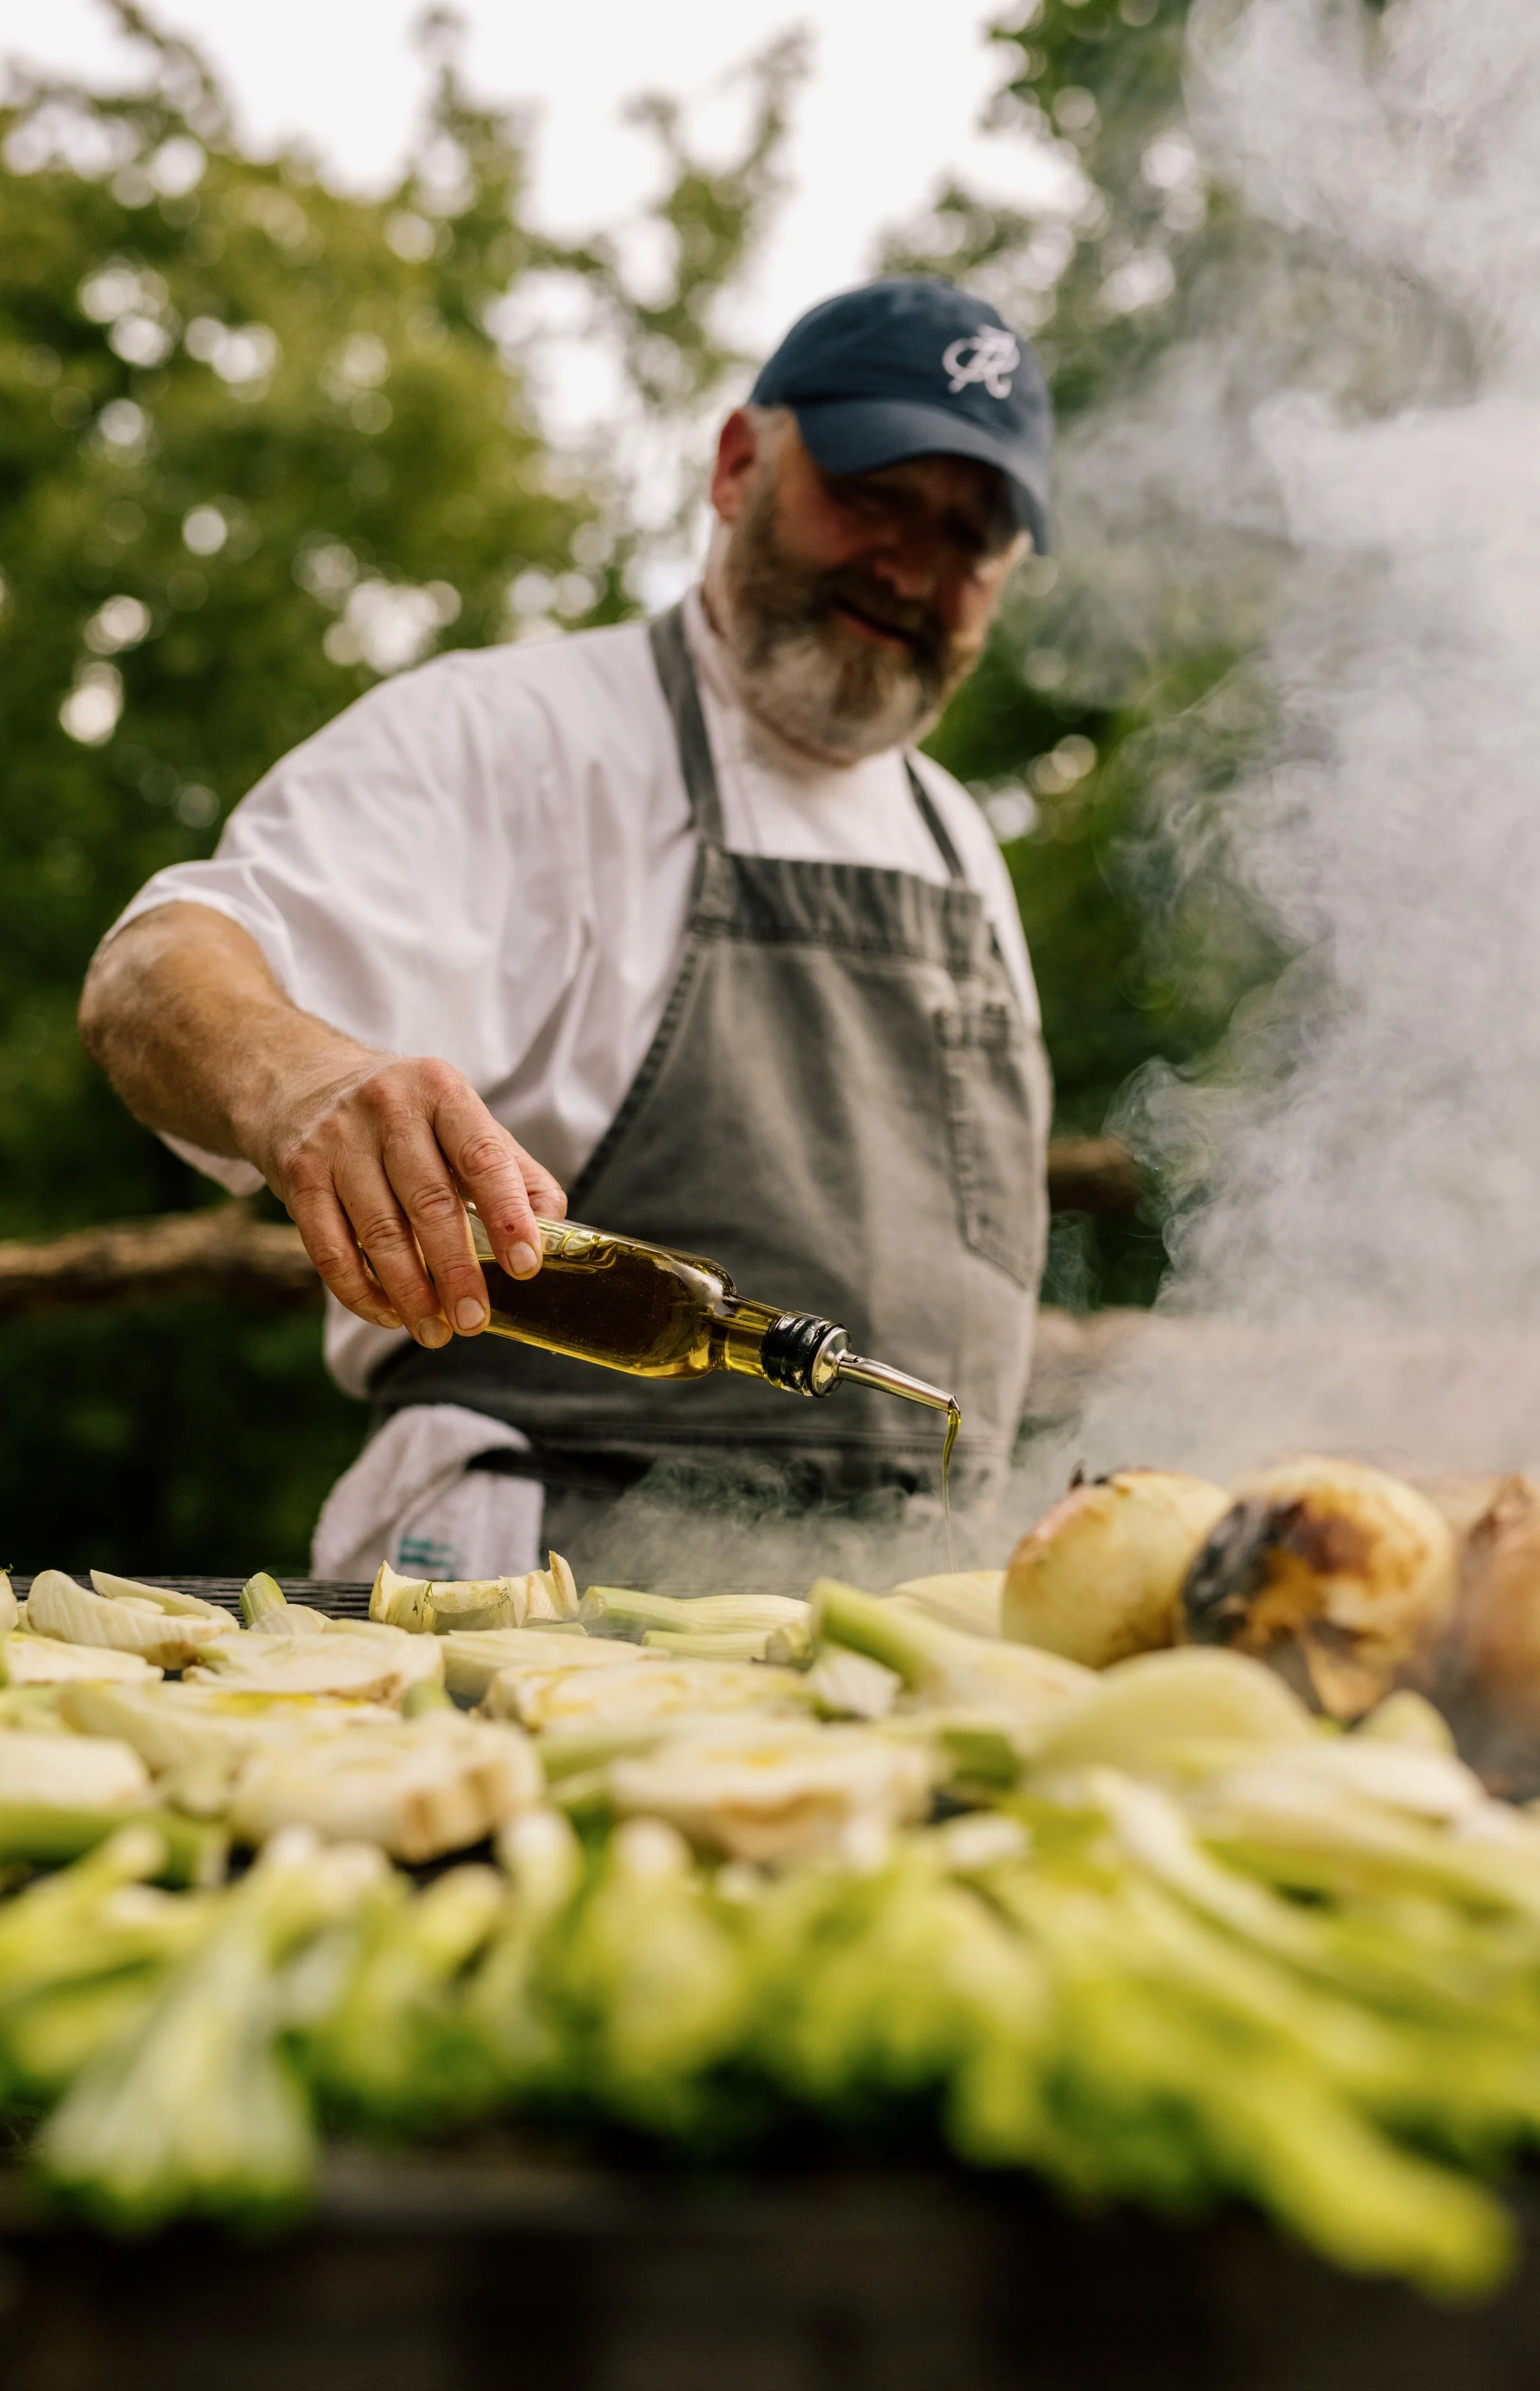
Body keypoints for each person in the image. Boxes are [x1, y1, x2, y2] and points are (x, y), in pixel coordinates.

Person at [80, 277, 1053, 1587]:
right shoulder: (516, 736)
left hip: (907, 1600)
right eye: (873, 493)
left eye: (969, 533)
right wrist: (295, 1073)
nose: (911, 565)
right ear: (735, 463)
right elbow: (156, 965)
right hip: (531, 1578)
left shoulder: (962, 852)